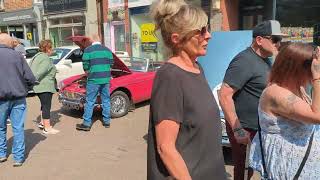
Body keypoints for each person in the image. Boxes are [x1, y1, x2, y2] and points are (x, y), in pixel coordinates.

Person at [147, 0, 227, 179]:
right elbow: (165, 148)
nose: (208, 36)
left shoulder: (197, 69)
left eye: (207, 29)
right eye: (200, 31)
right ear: (177, 39)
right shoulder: (170, 76)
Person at [218, 20, 286, 180]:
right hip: (245, 128)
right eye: (275, 39)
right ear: (259, 40)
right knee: (243, 170)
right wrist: (238, 129)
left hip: (259, 126)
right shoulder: (244, 60)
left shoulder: (265, 59)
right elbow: (224, 95)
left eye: (280, 40)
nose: (279, 44)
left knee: (252, 168)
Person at [249, 43, 320, 179]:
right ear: (298, 68)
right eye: (312, 67)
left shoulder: (298, 88)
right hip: (289, 172)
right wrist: (317, 77)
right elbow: (318, 116)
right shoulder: (275, 93)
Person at [0, 33, 36, 167]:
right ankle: (18, 158)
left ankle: (1, 154)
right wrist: (28, 88)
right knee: (18, 128)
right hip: (19, 98)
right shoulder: (17, 56)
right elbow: (30, 77)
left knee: (0, 127)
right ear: (9, 43)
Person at [76, 34, 113, 131]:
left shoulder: (88, 50)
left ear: (91, 40)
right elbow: (111, 63)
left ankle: (87, 124)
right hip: (106, 80)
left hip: (93, 80)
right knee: (106, 100)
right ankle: (107, 121)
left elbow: (85, 65)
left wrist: (88, 73)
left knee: (90, 101)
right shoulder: (107, 50)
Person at [29, 40, 59, 135]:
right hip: (44, 86)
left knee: (43, 105)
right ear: (47, 48)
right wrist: (35, 79)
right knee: (47, 106)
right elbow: (41, 72)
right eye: (51, 47)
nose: (52, 49)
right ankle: (47, 128)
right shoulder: (45, 58)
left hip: (39, 86)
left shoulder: (36, 56)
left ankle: (42, 123)